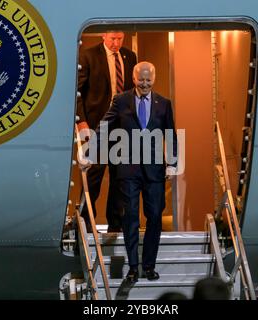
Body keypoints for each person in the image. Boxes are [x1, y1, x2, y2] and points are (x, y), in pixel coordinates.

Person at [94, 62, 178, 283]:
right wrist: (89, 151)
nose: (145, 83)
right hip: (127, 170)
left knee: (155, 218)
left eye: (149, 79)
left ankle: (148, 266)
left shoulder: (164, 104)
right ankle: (133, 267)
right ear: (134, 78)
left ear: (154, 78)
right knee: (130, 218)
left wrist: (172, 163)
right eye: (141, 79)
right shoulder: (120, 101)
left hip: (154, 172)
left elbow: (170, 134)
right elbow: (104, 126)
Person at [77, 31, 137, 233]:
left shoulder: (130, 56)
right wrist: (81, 121)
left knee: (120, 177)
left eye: (120, 38)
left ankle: (116, 224)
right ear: (104, 36)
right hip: (96, 125)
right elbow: (78, 92)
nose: (116, 43)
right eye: (113, 38)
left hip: (123, 128)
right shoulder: (88, 55)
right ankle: (85, 223)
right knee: (93, 175)